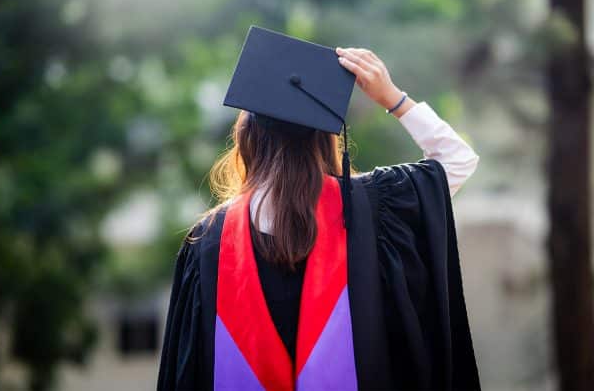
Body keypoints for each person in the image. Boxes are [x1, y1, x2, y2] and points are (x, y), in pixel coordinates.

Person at [157, 26, 481, 391]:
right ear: (324, 140)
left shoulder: (208, 242)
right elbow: (457, 159)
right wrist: (392, 97)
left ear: (247, 137)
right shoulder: (371, 209)